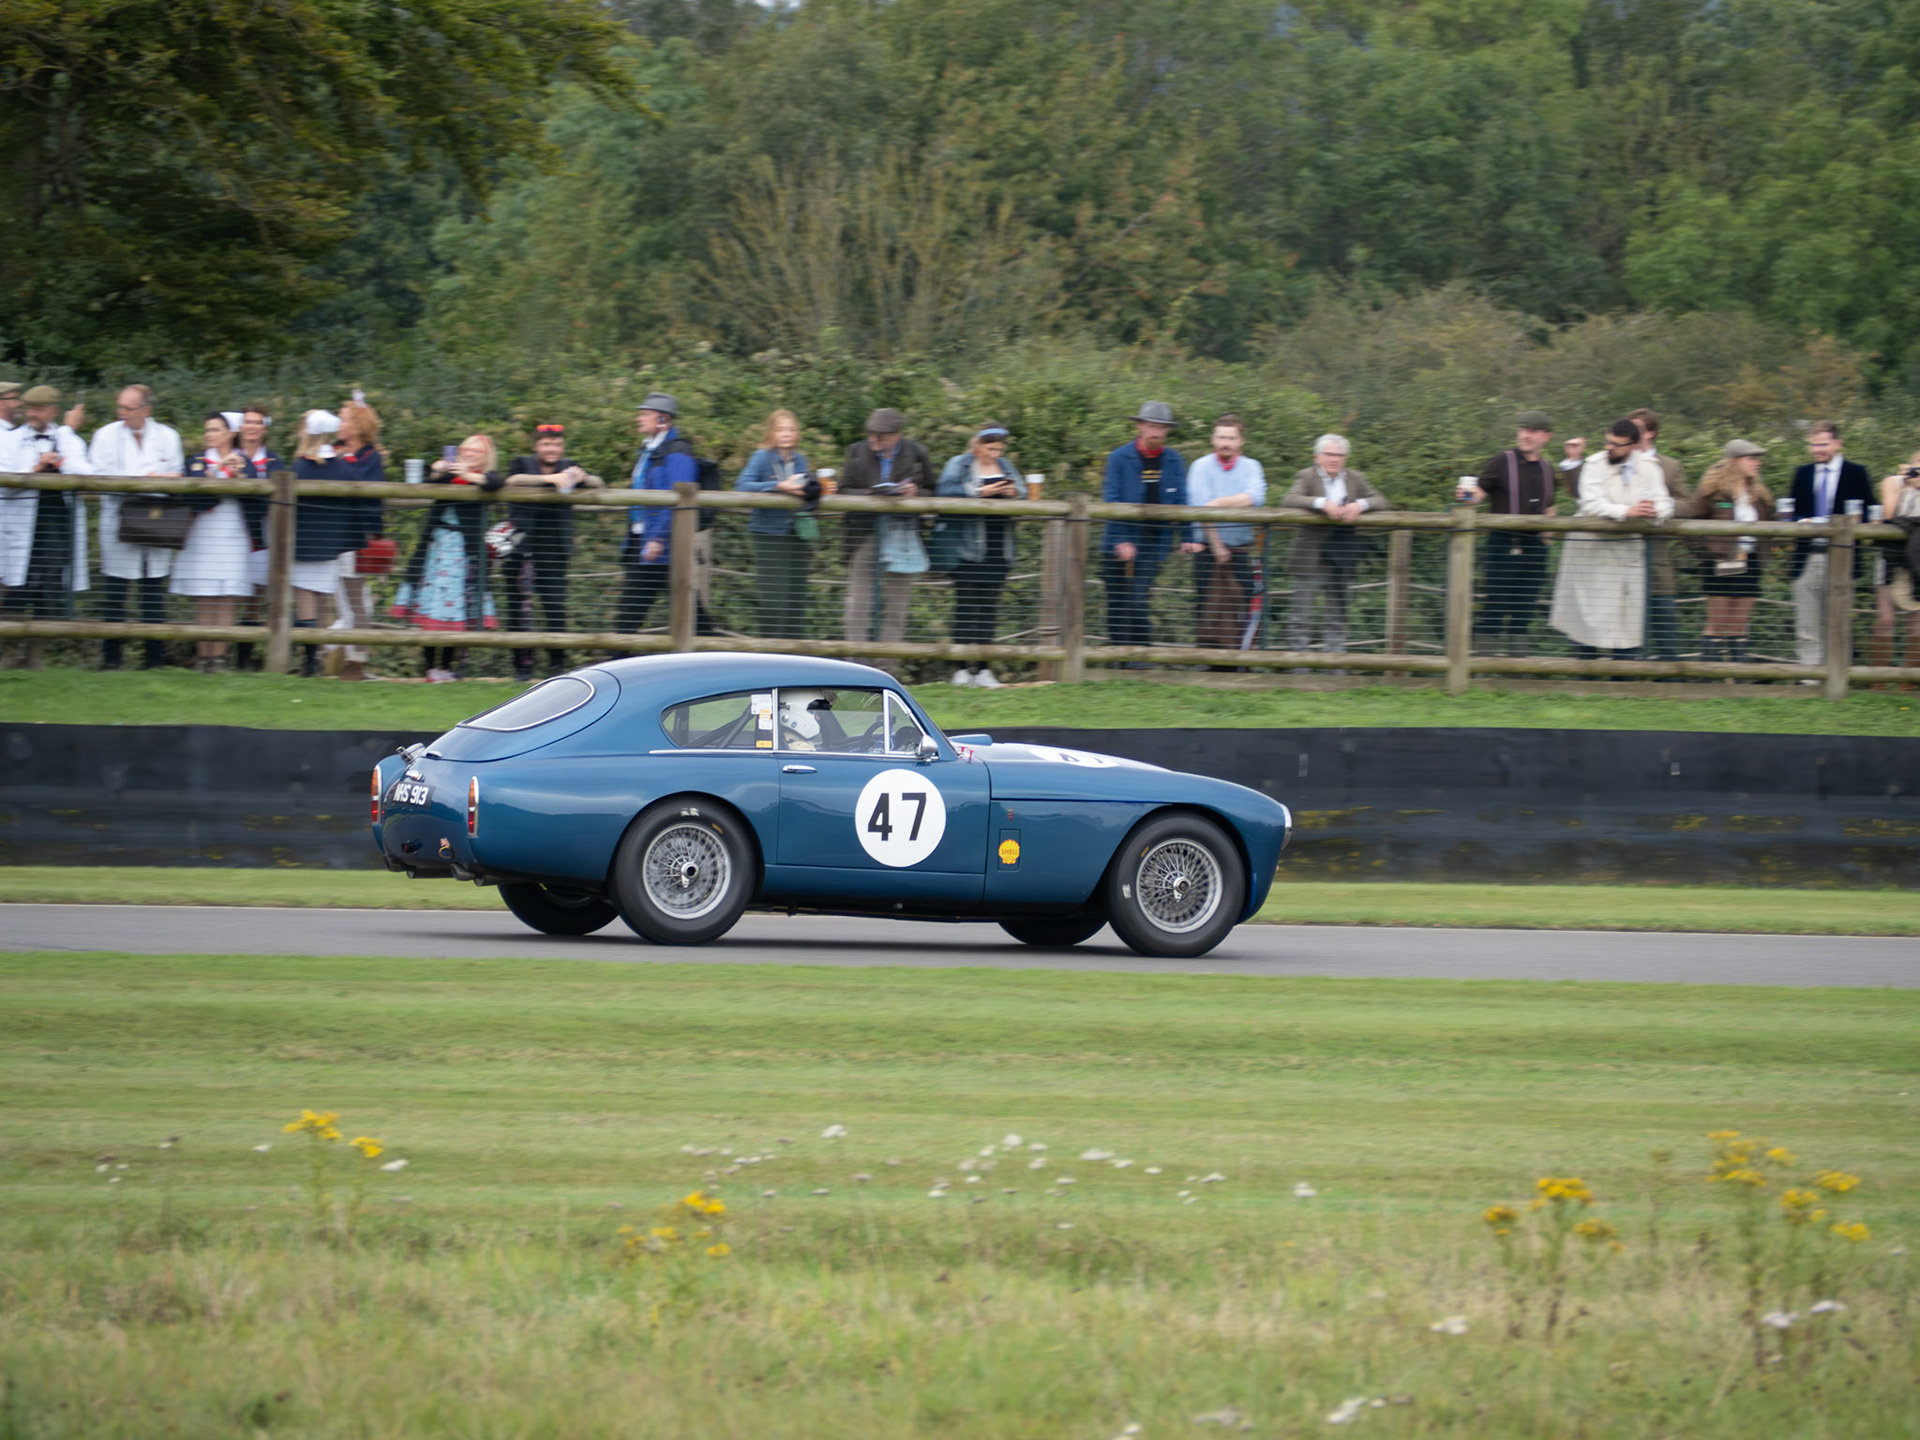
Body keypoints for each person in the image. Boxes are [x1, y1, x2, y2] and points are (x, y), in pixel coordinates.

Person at [1549, 418, 1673, 660]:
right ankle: (1586, 680)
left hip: (1627, 553)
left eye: (1617, 444)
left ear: (1634, 446)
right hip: (1592, 554)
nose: (1609, 448)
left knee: (1626, 621)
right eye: (1607, 441)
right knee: (1587, 621)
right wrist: (1627, 512)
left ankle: (1623, 684)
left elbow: (1665, 501)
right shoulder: (1594, 464)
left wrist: (1656, 512)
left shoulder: (1649, 467)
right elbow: (1591, 504)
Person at [89, 384, 185, 669]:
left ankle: (154, 660)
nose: (122, 413)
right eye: (120, 407)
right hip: (119, 520)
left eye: (128, 409)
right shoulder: (105, 435)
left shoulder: (168, 436)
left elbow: (177, 475)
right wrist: (147, 477)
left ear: (146, 410)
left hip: (157, 521)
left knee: (153, 590)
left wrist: (160, 480)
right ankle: (111, 661)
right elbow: (99, 475)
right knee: (116, 591)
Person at [393, 434, 503, 680]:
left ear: (486, 456)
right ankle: (431, 667)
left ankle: (448, 668)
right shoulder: (447, 476)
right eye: (466, 449)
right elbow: (420, 481)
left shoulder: (485, 477)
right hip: (437, 551)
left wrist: (468, 474)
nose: (469, 454)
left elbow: (495, 483)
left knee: (458, 609)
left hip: (465, 555)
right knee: (432, 605)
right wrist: (435, 470)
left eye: (476, 451)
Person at [502, 422, 603, 681]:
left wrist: (583, 477)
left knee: (555, 606)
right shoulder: (522, 464)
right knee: (519, 607)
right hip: (520, 544)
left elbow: (598, 484)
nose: (552, 449)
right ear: (536, 446)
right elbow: (512, 481)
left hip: (555, 546)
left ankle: (556, 666)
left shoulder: (569, 465)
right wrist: (549, 479)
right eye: (547, 444)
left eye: (557, 444)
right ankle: (522, 668)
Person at [0, 386, 92, 666]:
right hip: (22, 531)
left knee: (48, 593)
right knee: (16, 592)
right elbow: (5, 482)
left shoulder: (67, 439)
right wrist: (36, 468)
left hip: (56, 529)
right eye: (28, 409)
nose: (31, 414)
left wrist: (60, 463)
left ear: (53, 410)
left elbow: (88, 473)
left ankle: (35, 661)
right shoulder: (10, 440)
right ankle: (5, 658)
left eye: (38, 409)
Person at [840, 407, 935, 667]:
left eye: (880, 436)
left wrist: (916, 494)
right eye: (871, 435)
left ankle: (886, 670)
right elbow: (843, 489)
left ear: (897, 435)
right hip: (864, 534)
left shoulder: (917, 453)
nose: (874, 441)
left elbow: (932, 491)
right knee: (857, 606)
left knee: (896, 607)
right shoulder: (857, 451)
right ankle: (855, 667)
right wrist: (872, 495)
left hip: (903, 537)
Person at [1102, 401, 1198, 656]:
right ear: (1140, 426)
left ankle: (1140, 657)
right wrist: (1121, 540)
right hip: (1119, 538)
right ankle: (1117, 657)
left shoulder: (1173, 459)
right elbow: (1111, 499)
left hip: (1153, 540)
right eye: (1152, 426)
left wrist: (1187, 536)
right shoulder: (1119, 458)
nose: (1157, 432)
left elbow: (1181, 500)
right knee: (1117, 600)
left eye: (1162, 428)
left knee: (1138, 598)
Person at [1280, 434, 1387, 662]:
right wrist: (1322, 503)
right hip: (1310, 556)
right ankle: (1298, 667)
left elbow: (1380, 500)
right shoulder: (1307, 476)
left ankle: (1336, 667)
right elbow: (1290, 499)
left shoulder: (1356, 478)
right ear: (1317, 457)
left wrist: (1359, 505)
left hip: (1342, 555)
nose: (1334, 459)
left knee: (1338, 614)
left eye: (1339, 455)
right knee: (1301, 616)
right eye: (1329, 454)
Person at [936, 424, 1028, 686]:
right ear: (977, 446)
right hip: (967, 546)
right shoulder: (960, 464)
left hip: (998, 546)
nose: (995, 454)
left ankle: (985, 668)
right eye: (990, 448)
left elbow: (1021, 493)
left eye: (999, 449)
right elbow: (945, 490)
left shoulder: (1007, 466)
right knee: (966, 607)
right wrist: (979, 492)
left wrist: (1012, 493)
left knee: (989, 608)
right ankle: (962, 669)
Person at [1464, 411, 1560, 655]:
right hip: (1502, 543)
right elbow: (1477, 494)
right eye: (1522, 429)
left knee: (1525, 608)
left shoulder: (1548, 468)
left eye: (1532, 431)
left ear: (1546, 436)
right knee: (1494, 605)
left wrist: (1548, 539)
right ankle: (1485, 667)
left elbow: (1550, 506)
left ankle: (1517, 669)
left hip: (1535, 548)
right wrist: (1464, 497)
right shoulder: (1502, 461)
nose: (1525, 435)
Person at [172, 412, 261, 669]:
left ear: (230, 433)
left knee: (226, 597)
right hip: (203, 535)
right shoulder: (197, 462)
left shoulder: (245, 461)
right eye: (207, 429)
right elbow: (198, 499)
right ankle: (203, 657)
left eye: (215, 429)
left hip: (233, 535)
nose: (210, 434)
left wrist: (241, 477)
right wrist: (222, 475)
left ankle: (220, 658)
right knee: (205, 596)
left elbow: (258, 501)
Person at [615, 392, 708, 637]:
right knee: (687, 608)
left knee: (632, 608)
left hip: (661, 543)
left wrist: (657, 538)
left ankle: (617, 658)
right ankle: (718, 653)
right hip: (643, 539)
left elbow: (678, 498)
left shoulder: (677, 453)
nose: (639, 418)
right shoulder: (649, 450)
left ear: (663, 420)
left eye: (645, 414)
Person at [1786, 422, 1876, 670]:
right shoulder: (1802, 473)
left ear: (1838, 443)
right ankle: (1809, 680)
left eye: (1823, 444)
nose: (1817, 450)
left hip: (1841, 557)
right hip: (1806, 557)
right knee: (1806, 624)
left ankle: (1837, 678)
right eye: (1813, 445)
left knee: (1837, 623)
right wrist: (1797, 521)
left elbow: (1870, 514)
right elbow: (1789, 512)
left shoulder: (1856, 473)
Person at [1677, 440, 1774, 667]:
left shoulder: (1758, 494)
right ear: (1735, 461)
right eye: (1751, 458)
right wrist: (1706, 554)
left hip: (1749, 564)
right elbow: (1690, 524)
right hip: (1720, 565)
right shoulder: (1713, 491)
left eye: (1758, 459)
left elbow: (1772, 524)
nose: (1757, 463)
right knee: (1718, 624)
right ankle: (1709, 679)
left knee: (1740, 624)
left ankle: (1737, 679)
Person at [1184, 414, 1267, 651]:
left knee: (1240, 602)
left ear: (1240, 441)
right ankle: (1206, 661)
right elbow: (1201, 508)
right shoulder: (1200, 466)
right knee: (1206, 605)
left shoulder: (1252, 466)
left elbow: (1257, 498)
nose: (1225, 443)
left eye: (1231, 438)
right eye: (1221, 437)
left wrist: (1217, 503)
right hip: (1208, 550)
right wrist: (1216, 543)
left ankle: (1237, 663)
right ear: (1213, 439)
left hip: (1241, 549)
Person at [733, 410, 814, 642]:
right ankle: (770, 647)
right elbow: (742, 486)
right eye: (780, 429)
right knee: (773, 596)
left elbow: (804, 488)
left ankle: (795, 649)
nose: (786, 434)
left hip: (797, 533)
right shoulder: (761, 457)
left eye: (790, 429)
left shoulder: (800, 459)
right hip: (769, 533)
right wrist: (779, 486)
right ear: (771, 432)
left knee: (795, 594)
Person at [288, 411, 355, 675]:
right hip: (329, 545)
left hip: (304, 543)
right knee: (321, 606)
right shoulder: (342, 467)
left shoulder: (301, 466)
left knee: (306, 604)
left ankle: (310, 662)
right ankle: (313, 660)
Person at [1627, 409, 1691, 668]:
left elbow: (1689, 504)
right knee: (1626, 624)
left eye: (1637, 429)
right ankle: (1626, 680)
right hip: (1621, 556)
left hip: (1659, 558)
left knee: (1664, 621)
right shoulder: (1617, 461)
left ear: (1650, 432)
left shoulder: (1670, 466)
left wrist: (1662, 506)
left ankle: (1671, 682)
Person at [332, 401, 388, 680]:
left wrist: (343, 462)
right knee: (332, 600)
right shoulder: (329, 451)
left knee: (357, 601)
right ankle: (325, 655)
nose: (337, 425)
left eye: (342, 420)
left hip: (355, 538)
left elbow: (362, 489)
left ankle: (356, 662)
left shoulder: (370, 458)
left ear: (357, 426)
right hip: (328, 535)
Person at [232, 406, 280, 671]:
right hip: (232, 532)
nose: (252, 427)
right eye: (247, 422)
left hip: (260, 536)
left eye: (257, 422)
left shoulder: (273, 460)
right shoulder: (228, 454)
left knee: (255, 599)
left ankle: (245, 660)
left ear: (264, 428)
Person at [1872, 449, 1920, 674]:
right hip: (1891, 558)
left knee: (1917, 625)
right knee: (1885, 621)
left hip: (1917, 563)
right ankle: (1877, 679)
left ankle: (1909, 680)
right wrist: (1904, 482)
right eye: (1917, 465)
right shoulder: (1893, 483)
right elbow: (1889, 515)